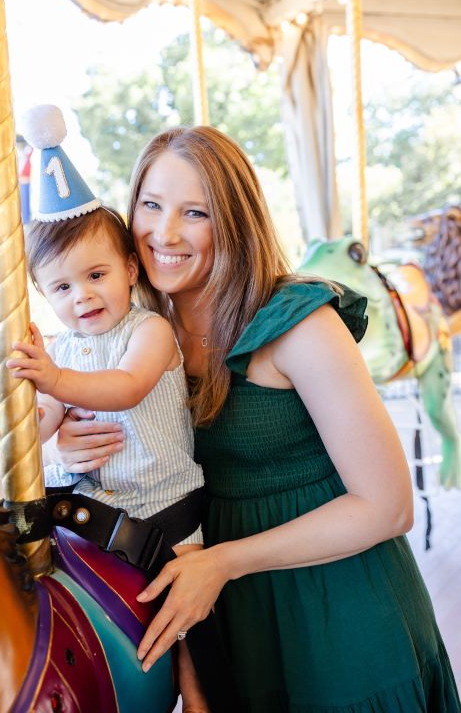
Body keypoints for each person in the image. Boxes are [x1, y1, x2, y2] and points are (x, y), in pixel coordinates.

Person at [52, 125, 460, 712]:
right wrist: (71, 445)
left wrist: (225, 562)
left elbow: (389, 505)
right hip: (229, 614)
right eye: (151, 204)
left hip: (335, 608)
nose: (164, 232)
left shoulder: (298, 325)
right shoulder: (130, 336)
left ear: (234, 221)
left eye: (195, 212)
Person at [0, 106, 208, 712]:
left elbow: (127, 387)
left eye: (96, 274)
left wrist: (56, 377)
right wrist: (18, 428)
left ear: (130, 270)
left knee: (193, 629)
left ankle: (199, 701)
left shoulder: (151, 333)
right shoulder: (62, 350)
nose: (81, 295)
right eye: (61, 287)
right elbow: (49, 421)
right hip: (95, 516)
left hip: (167, 513)